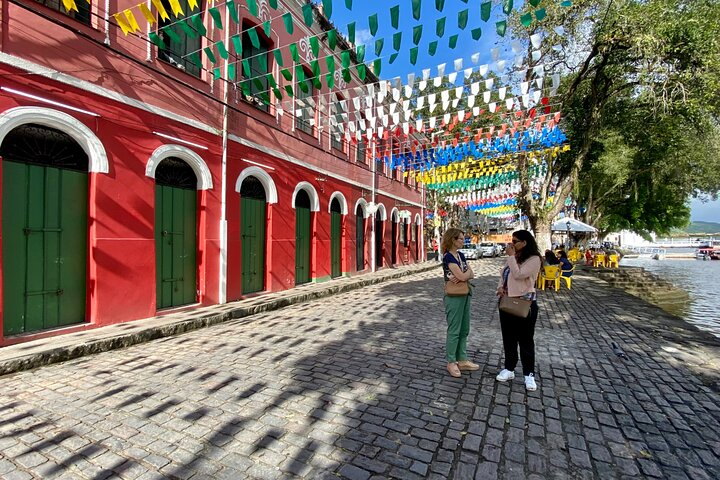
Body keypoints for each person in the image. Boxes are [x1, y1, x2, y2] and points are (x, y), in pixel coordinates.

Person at [495, 230, 543, 391]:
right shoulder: (513, 258)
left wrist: (510, 257)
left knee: (526, 339)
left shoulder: (534, 259)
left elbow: (519, 274)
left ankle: (529, 374)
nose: (512, 244)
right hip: (507, 301)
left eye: (515, 241)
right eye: (512, 241)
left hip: (524, 304)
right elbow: (505, 274)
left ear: (524, 242)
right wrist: (500, 287)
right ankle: (509, 368)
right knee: (508, 338)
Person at [441, 228, 477, 378]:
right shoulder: (448, 257)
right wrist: (465, 275)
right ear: (453, 240)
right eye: (461, 238)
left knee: (464, 328)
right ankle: (451, 361)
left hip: (465, 293)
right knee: (454, 329)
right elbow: (463, 275)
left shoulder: (461, 255)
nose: (463, 241)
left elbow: (470, 274)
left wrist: (464, 276)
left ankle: (462, 359)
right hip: (454, 296)